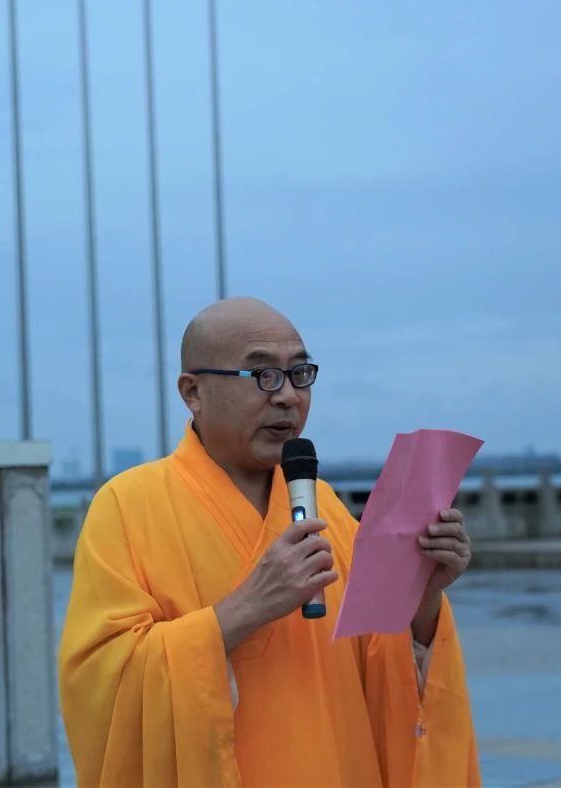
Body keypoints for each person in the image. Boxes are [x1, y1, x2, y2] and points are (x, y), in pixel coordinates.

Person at [58, 297, 479, 787]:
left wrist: (422, 598)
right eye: (263, 375)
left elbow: (383, 670)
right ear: (193, 392)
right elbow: (103, 683)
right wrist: (246, 609)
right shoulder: (128, 505)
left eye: (299, 374)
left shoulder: (325, 506)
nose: (287, 397)